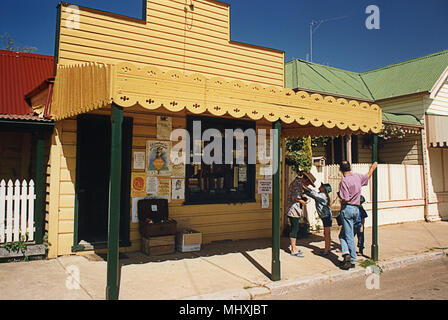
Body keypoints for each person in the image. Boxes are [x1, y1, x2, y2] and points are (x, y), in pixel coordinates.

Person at [337, 160, 377, 270]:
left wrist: (340, 195)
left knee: (348, 235)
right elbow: (367, 176)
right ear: (350, 168)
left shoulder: (344, 182)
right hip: (356, 209)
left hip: (348, 208)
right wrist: (372, 168)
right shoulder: (357, 177)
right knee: (342, 235)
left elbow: (345, 198)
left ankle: (352, 259)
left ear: (340, 170)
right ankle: (346, 253)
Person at [286, 171, 315, 256]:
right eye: (308, 182)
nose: (308, 184)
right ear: (305, 179)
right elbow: (295, 196)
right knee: (294, 229)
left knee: (295, 228)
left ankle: (294, 247)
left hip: (294, 209)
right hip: (293, 210)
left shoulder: (298, 183)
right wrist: (302, 201)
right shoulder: (297, 184)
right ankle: (293, 249)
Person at [303, 182, 333, 256]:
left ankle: (326, 250)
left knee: (326, 233)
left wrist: (305, 187)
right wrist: (306, 190)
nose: (320, 187)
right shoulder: (323, 195)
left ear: (324, 189)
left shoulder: (322, 195)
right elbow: (313, 194)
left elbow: (314, 194)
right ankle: (328, 248)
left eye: (321, 186)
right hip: (326, 216)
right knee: (327, 233)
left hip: (326, 216)